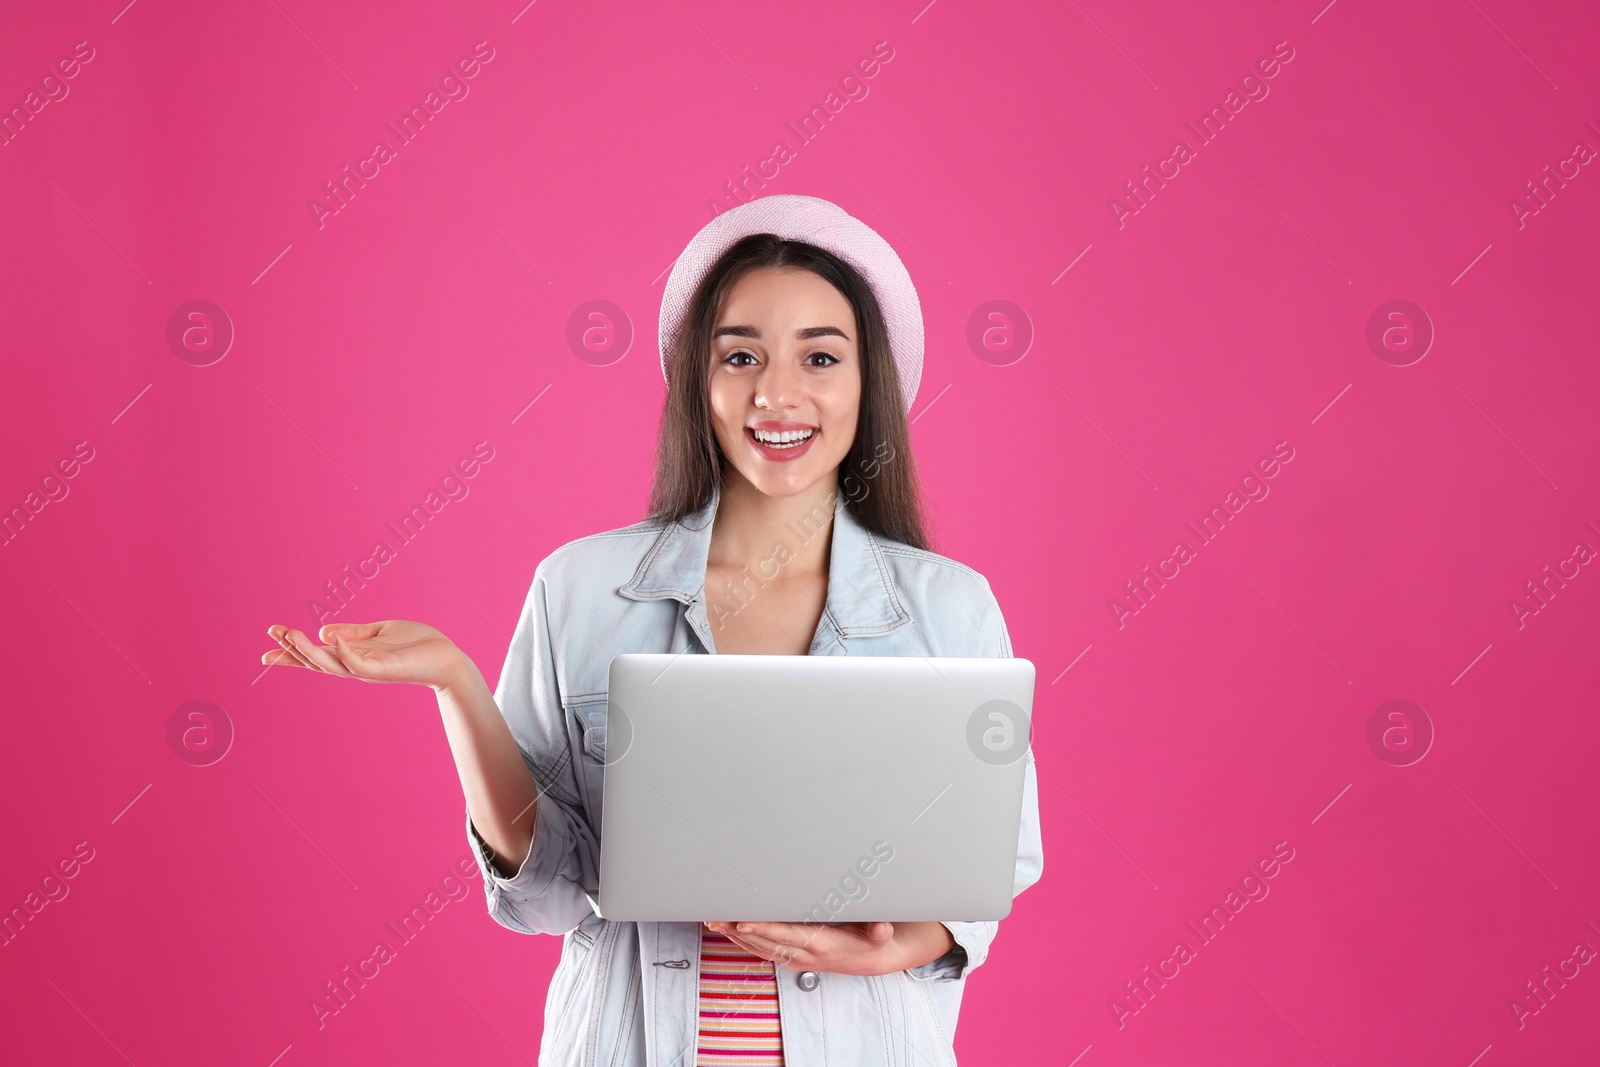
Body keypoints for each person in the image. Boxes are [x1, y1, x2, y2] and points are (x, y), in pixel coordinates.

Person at [261, 194, 1043, 1067]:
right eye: (739, 355)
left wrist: (900, 942)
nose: (776, 392)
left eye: (820, 356)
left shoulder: (952, 609)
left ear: (870, 383)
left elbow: (995, 859)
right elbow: (547, 895)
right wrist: (457, 684)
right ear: (696, 381)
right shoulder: (580, 589)